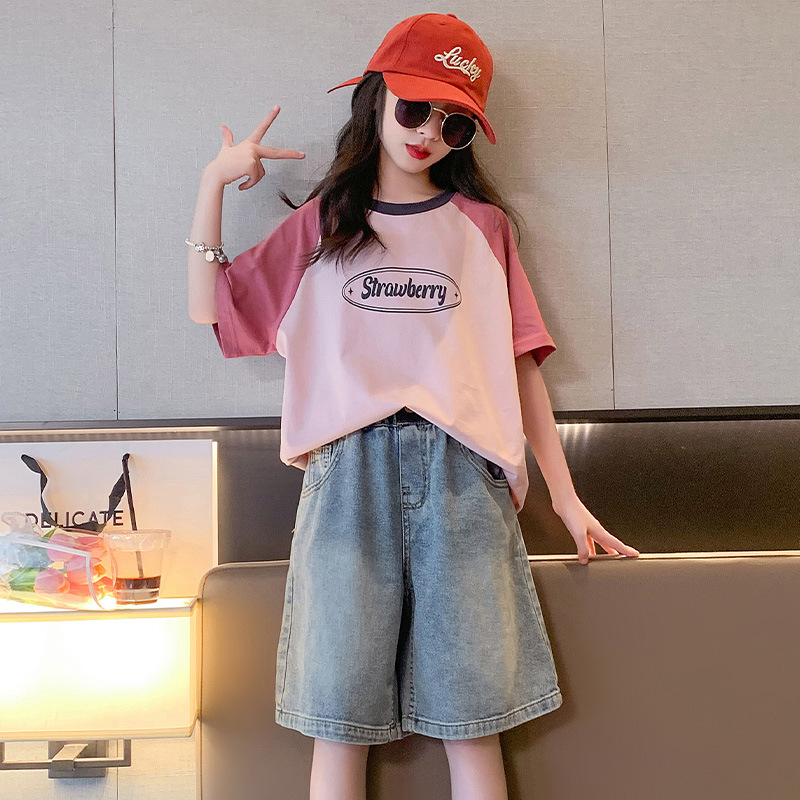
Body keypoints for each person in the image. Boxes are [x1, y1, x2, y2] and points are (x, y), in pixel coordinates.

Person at [187, 12, 639, 800]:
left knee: (473, 722)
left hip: (464, 475)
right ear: (376, 99)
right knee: (338, 723)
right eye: (415, 108)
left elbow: (520, 364)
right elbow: (212, 312)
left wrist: (567, 500)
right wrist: (212, 184)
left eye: (453, 123)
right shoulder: (324, 225)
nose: (428, 133)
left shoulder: (484, 229)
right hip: (345, 474)